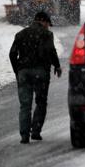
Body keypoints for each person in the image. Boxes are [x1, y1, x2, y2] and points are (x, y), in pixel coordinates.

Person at [9, 11, 62, 144]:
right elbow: (51, 51)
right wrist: (57, 66)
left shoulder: (21, 34)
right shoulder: (47, 34)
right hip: (41, 73)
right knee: (41, 102)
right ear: (43, 21)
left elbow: (12, 54)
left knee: (25, 105)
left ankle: (24, 135)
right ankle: (36, 131)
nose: (48, 27)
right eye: (48, 24)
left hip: (24, 73)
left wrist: (18, 70)